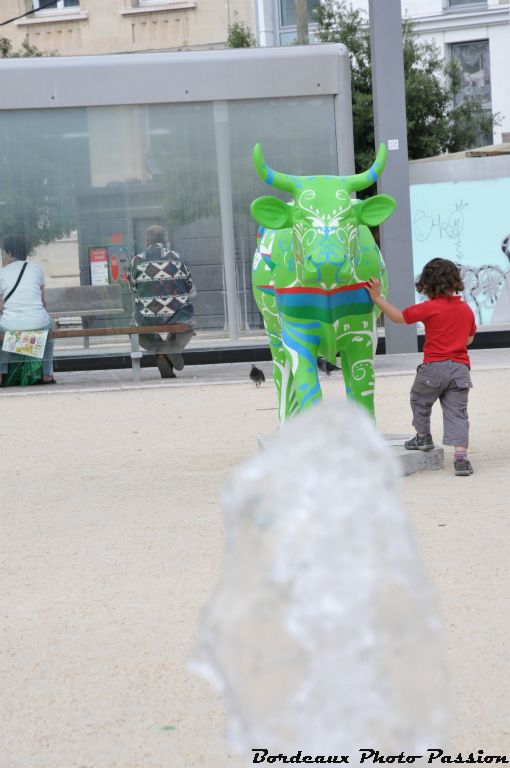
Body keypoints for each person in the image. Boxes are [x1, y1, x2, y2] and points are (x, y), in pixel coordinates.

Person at [367, 258, 477, 477]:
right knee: (457, 414)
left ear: (427, 285)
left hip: (434, 368)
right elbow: (469, 340)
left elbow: (399, 318)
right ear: (454, 282)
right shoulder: (466, 309)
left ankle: (423, 436)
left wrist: (377, 298)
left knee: (419, 399)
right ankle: (461, 457)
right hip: (460, 370)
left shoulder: (429, 308)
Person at [129, 225, 196, 379]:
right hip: (177, 314)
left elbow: (133, 289)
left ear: (147, 241)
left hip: (147, 316)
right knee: (187, 324)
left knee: (134, 329)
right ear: (165, 240)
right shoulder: (179, 257)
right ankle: (170, 350)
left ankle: (161, 353)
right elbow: (190, 287)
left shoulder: (137, 260)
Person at [0, 234, 55, 386]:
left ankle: (1, 373)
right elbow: (43, 302)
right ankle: (47, 374)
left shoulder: (2, 273)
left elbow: (0, 306)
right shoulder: (37, 269)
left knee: (2, 335)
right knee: (49, 330)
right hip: (38, 322)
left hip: (10, 325)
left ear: (9, 252)